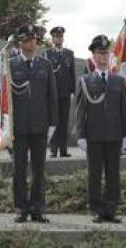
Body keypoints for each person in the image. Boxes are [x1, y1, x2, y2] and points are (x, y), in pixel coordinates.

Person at [74, 35, 126, 223]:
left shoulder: (118, 80)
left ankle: (111, 209)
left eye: (106, 53)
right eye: (100, 53)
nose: (104, 57)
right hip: (94, 135)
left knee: (113, 174)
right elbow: (80, 110)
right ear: (93, 57)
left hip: (114, 134)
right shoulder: (85, 80)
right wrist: (81, 135)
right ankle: (97, 209)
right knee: (95, 174)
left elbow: (124, 109)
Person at [10, 25, 58, 223]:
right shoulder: (10, 65)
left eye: (33, 40)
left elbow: (52, 96)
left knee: (39, 170)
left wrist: (52, 124)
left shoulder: (45, 65)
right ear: (20, 43)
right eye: (26, 40)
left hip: (40, 126)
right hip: (18, 127)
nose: (31, 43)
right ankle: (21, 208)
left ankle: (38, 208)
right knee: (18, 170)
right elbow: (5, 98)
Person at [44, 26, 76, 158]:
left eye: (60, 36)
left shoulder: (69, 53)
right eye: (56, 37)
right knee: (53, 121)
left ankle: (63, 149)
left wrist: (73, 90)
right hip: (52, 93)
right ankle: (53, 149)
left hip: (65, 93)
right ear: (52, 39)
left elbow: (72, 73)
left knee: (64, 121)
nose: (58, 39)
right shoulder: (47, 54)